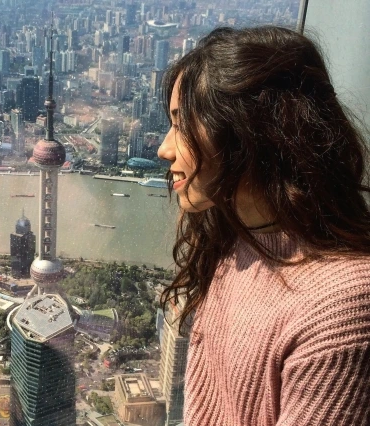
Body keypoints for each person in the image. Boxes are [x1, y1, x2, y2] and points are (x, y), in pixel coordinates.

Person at [158, 26, 370, 426]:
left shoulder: (342, 310)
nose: (164, 148)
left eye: (182, 123)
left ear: (248, 131)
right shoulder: (237, 245)